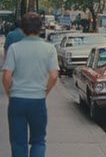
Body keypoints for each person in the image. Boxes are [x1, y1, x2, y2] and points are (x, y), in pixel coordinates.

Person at [2, 13, 60, 157]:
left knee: (18, 142)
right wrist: (44, 92)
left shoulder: (15, 48)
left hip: (17, 100)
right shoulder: (49, 48)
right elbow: (54, 75)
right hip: (38, 100)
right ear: (41, 28)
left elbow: (7, 77)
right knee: (38, 141)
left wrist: (10, 93)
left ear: (22, 29)